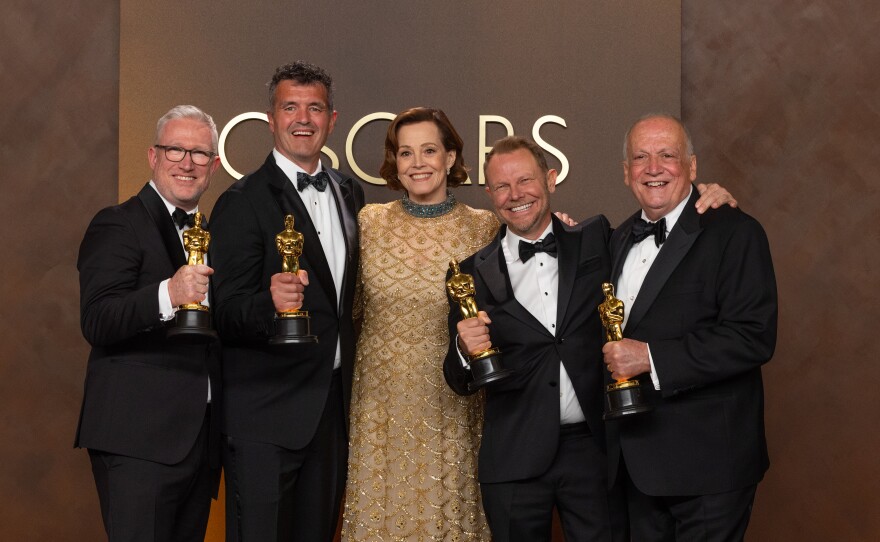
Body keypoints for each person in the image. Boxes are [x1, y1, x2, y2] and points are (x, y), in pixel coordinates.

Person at [209, 61, 364, 541]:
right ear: (271, 119)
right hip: (265, 416)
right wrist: (268, 302)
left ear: (332, 120)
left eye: (314, 108)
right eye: (290, 107)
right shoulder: (242, 201)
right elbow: (223, 311)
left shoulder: (350, 192)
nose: (303, 119)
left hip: (331, 413)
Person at [603, 114, 777, 541]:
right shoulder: (617, 238)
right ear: (626, 172)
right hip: (637, 469)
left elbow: (752, 336)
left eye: (667, 155)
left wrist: (650, 357)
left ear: (692, 166)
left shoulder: (735, 232)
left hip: (710, 467)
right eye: (640, 157)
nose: (653, 168)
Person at [444, 136, 621, 542]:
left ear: (550, 179)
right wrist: (463, 349)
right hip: (513, 456)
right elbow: (457, 379)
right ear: (490, 195)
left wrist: (709, 198)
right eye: (502, 186)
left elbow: (658, 237)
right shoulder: (468, 275)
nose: (515, 195)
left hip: (594, 451)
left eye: (525, 180)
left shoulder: (596, 239)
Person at [342, 107, 497, 540]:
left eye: (429, 150)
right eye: (406, 153)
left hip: (451, 401)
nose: (417, 163)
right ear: (395, 162)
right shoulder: (369, 223)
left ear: (451, 157)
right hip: (379, 404)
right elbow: (349, 311)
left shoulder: (482, 226)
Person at [75, 105, 222, 542]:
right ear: (153, 156)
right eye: (176, 150)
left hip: (198, 441)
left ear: (214, 166)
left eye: (199, 153)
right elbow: (97, 319)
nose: (187, 163)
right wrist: (168, 294)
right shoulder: (118, 223)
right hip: (137, 440)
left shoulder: (211, 233)